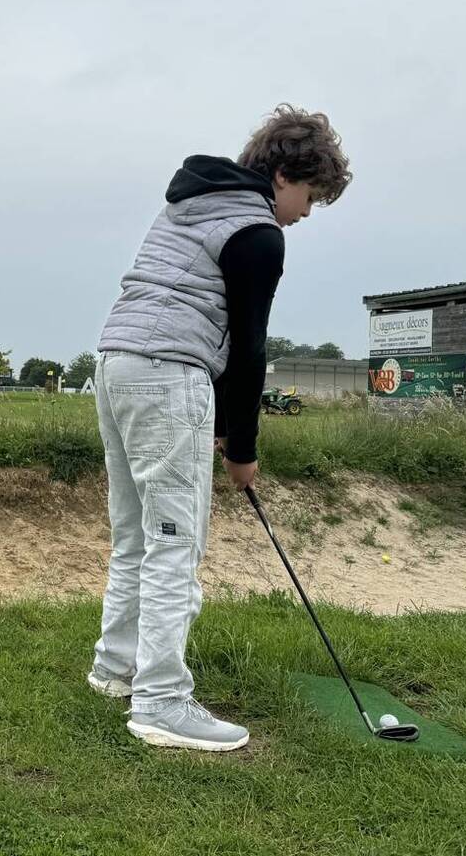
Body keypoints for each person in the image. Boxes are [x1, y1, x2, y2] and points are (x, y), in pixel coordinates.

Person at [88, 105, 351, 751]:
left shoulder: (195, 200)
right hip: (170, 368)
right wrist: (243, 448)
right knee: (175, 539)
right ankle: (161, 701)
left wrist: (220, 428)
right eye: (311, 196)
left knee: (135, 535)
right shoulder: (259, 233)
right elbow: (250, 349)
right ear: (286, 174)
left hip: (115, 363)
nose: (306, 213)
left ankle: (114, 669)